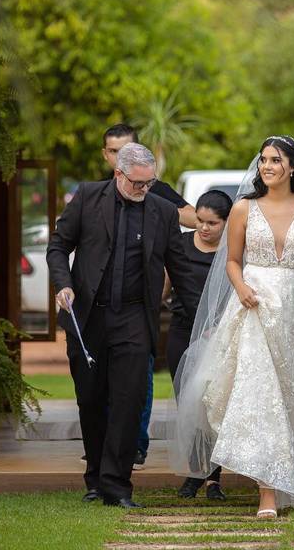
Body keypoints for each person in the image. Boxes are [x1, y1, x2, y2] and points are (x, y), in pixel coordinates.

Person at [170, 135, 294, 519]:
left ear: (292, 167)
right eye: (263, 160)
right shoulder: (244, 208)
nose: (267, 166)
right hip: (254, 308)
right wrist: (243, 287)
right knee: (262, 396)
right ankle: (267, 493)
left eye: (275, 160)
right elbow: (232, 260)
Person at [47, 143, 201, 509]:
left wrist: (201, 318)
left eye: (150, 183)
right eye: (138, 184)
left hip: (134, 317)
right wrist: (62, 283)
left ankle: (117, 486)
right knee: (91, 399)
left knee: (128, 402)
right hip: (88, 316)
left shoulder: (163, 212)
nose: (144, 190)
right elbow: (58, 246)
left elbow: (179, 269)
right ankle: (96, 479)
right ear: (119, 174)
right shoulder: (87, 197)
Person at [100, 123, 193, 469]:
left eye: (126, 149)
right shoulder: (98, 195)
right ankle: (107, 445)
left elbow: (193, 218)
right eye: (113, 152)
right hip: (103, 305)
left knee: (141, 374)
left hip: (142, 304)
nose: (120, 156)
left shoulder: (156, 192)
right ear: (108, 157)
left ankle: (136, 443)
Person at [163, 189, 233, 501]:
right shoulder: (178, 243)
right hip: (182, 330)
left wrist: (220, 325)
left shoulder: (234, 250)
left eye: (212, 223)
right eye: (200, 221)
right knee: (188, 405)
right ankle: (195, 472)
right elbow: (165, 284)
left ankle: (211, 478)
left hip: (219, 335)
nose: (204, 228)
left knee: (212, 405)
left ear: (227, 223)